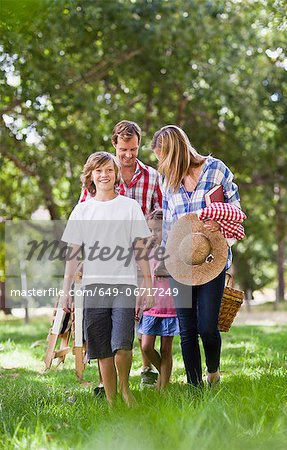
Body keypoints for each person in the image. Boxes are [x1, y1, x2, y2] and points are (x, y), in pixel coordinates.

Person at [151, 125, 242, 388]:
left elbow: (235, 208)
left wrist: (220, 222)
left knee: (207, 328)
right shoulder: (167, 181)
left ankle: (213, 372)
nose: (161, 165)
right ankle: (195, 388)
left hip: (212, 260)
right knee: (187, 330)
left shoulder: (216, 169)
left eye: (163, 158)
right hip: (180, 263)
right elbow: (169, 225)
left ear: (175, 152)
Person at [59, 152, 153, 406]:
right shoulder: (82, 210)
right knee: (101, 346)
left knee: (122, 343)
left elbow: (141, 250)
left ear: (116, 174)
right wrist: (65, 291)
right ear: (90, 175)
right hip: (93, 288)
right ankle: (111, 400)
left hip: (124, 285)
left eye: (109, 170)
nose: (104, 175)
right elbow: (73, 257)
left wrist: (149, 284)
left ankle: (125, 389)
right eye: (98, 171)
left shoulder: (130, 207)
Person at [80, 121, 162, 392]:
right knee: (105, 323)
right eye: (124, 149)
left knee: (134, 319)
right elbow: (85, 212)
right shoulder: (103, 172)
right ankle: (107, 384)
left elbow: (161, 214)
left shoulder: (151, 177)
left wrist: (152, 226)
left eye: (134, 149)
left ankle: (145, 369)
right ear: (115, 144)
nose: (129, 155)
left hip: (141, 256)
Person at [136, 210, 180, 390]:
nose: (154, 234)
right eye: (150, 230)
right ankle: (163, 374)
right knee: (146, 346)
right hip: (151, 305)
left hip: (169, 306)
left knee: (166, 349)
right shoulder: (146, 251)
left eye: (158, 230)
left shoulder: (172, 250)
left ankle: (164, 389)